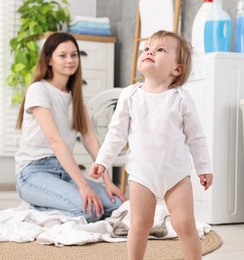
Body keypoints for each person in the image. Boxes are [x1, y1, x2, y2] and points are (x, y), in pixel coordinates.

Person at [89, 30, 213, 260]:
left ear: (176, 69)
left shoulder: (181, 98)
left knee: (185, 224)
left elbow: (196, 137)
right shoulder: (130, 95)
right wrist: (102, 160)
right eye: (147, 49)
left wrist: (203, 167)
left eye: (160, 50)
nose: (149, 52)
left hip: (176, 176)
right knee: (139, 224)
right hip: (141, 175)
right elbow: (116, 133)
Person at [14, 32, 126, 223]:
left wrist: (109, 183)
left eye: (74, 55)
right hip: (33, 172)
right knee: (89, 212)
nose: (70, 60)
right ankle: (33, 209)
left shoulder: (75, 98)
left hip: (64, 172)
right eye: (63, 55)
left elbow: (91, 139)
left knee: (117, 205)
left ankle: (50, 203)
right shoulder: (38, 90)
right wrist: (83, 186)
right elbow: (55, 141)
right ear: (49, 60)